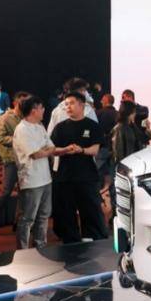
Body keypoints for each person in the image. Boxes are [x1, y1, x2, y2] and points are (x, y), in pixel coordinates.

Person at [50, 91, 107, 243]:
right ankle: (71, 241)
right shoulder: (60, 127)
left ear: (82, 105)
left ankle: (92, 239)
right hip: (64, 177)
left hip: (86, 176)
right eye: (66, 104)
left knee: (90, 210)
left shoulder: (92, 126)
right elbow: (52, 149)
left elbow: (95, 150)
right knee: (66, 212)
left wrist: (81, 150)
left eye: (72, 103)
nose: (68, 107)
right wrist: (65, 150)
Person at [11, 95, 59, 250]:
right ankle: (23, 251)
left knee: (44, 215)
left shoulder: (39, 126)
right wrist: (45, 150)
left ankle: (41, 247)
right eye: (41, 108)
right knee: (27, 218)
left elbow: (51, 147)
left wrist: (46, 150)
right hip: (31, 180)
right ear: (34, 110)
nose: (44, 110)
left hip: (45, 178)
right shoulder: (22, 129)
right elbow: (35, 154)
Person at [0, 91, 30, 232]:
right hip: (11, 160)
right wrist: (18, 140)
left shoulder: (28, 117)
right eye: (23, 101)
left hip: (25, 159)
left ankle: (18, 222)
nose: (26, 104)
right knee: (6, 192)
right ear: (15, 102)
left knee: (24, 192)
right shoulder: (5, 118)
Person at [112, 101, 148, 165]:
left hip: (135, 162)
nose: (135, 114)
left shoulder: (132, 126)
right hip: (127, 163)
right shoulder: (120, 128)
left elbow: (142, 139)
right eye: (134, 112)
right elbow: (118, 150)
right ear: (129, 113)